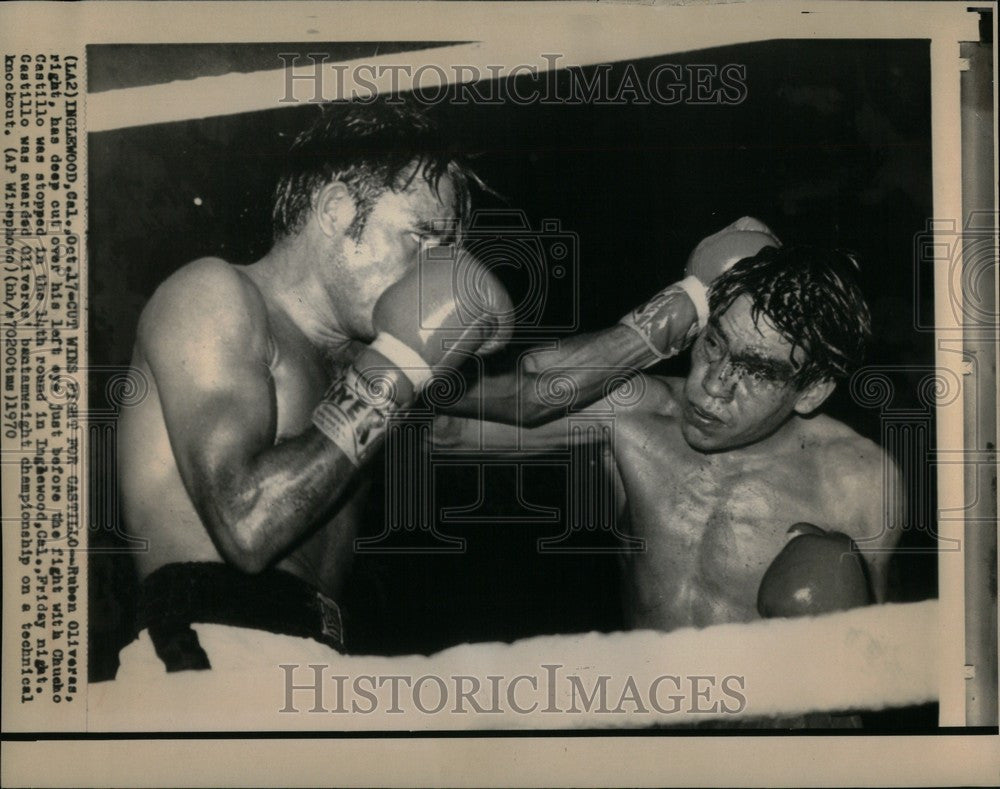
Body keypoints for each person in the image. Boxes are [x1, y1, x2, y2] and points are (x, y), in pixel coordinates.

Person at [114, 99, 519, 673]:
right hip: (208, 653)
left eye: (445, 254)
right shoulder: (214, 295)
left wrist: (679, 308)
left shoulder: (354, 361)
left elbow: (532, 399)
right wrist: (399, 363)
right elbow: (246, 523)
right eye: (421, 239)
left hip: (321, 657)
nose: (433, 274)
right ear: (334, 208)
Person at [437, 243, 902, 633]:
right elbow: (449, 428)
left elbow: (873, 670)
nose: (715, 384)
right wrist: (684, 301)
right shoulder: (633, 414)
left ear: (812, 389)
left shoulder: (858, 479)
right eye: (715, 344)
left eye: (758, 371)